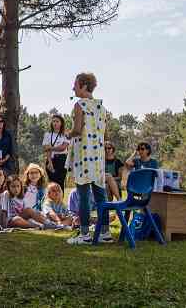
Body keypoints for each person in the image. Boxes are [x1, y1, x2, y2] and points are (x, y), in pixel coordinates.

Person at [65, 72, 113, 245]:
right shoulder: (102, 107)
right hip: (98, 156)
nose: (73, 88)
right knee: (101, 195)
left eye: (75, 84)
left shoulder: (80, 105)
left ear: (84, 86)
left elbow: (77, 130)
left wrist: (67, 134)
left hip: (83, 156)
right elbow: (105, 133)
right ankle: (105, 233)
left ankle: (84, 234)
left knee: (83, 195)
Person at [43, 115, 70, 192]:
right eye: (53, 121)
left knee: (60, 182)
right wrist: (50, 162)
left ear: (61, 123)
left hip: (62, 160)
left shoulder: (66, 134)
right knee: (52, 183)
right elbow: (46, 149)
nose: (55, 123)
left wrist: (50, 148)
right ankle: (51, 202)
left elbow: (63, 148)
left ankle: (60, 202)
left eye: (57, 121)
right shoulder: (47, 134)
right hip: (50, 160)